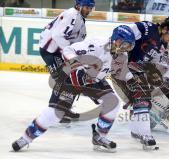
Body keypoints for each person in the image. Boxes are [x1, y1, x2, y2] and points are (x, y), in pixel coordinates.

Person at [11, 25, 148, 152]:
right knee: (56, 113)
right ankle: (25, 138)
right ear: (116, 40)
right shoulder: (97, 45)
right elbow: (67, 50)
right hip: (71, 77)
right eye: (125, 44)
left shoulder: (121, 55)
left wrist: (132, 80)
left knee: (112, 103)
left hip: (94, 80)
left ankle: (99, 137)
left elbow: (121, 71)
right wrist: (78, 67)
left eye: (128, 46)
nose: (126, 48)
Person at [112, 16, 169, 146]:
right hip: (123, 69)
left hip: (136, 72)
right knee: (142, 99)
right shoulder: (146, 28)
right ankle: (145, 134)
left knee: (143, 101)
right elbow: (122, 34)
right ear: (165, 29)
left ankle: (136, 130)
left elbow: (154, 64)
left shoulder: (163, 45)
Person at [39, 0, 95, 122]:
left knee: (75, 77)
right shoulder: (71, 15)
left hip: (58, 51)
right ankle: (53, 112)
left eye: (91, 8)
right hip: (50, 51)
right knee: (63, 79)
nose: (89, 10)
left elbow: (78, 41)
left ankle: (63, 109)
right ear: (78, 6)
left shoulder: (79, 17)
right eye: (87, 7)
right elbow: (57, 35)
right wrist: (71, 54)